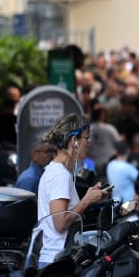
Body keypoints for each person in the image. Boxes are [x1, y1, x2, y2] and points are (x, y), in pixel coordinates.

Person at [30, 114, 110, 268]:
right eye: (87, 138)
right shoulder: (60, 175)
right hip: (56, 262)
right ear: (75, 142)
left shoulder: (57, 172)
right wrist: (87, 201)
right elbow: (60, 223)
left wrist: (88, 196)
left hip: (54, 259)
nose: (89, 143)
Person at [104, 140, 139, 205]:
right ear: (129, 150)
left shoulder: (110, 165)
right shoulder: (128, 168)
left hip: (115, 204)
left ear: (116, 151)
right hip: (128, 206)